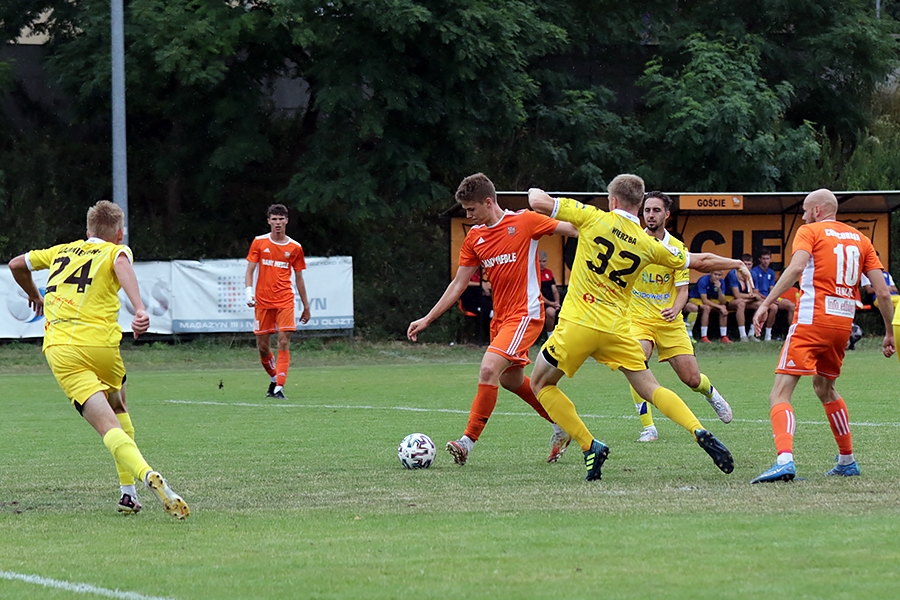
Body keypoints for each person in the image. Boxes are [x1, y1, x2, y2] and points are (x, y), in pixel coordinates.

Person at [527, 175, 753, 482]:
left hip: (579, 323)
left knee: (541, 384)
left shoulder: (592, 217)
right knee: (651, 387)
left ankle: (589, 444)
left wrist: (534, 188)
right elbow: (700, 260)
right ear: (639, 205)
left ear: (613, 201)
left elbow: (537, 202)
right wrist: (736, 262)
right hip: (618, 329)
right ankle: (697, 429)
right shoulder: (649, 244)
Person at [8, 200, 190, 519]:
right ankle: (128, 494)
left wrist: (34, 295)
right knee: (119, 407)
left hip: (61, 348)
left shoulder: (61, 250)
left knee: (107, 426)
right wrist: (141, 308)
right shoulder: (115, 250)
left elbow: (15, 264)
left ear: (87, 230)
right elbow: (121, 263)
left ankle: (146, 474)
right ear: (119, 234)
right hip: (102, 346)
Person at [408, 173, 578, 466]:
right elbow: (458, 284)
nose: (468, 215)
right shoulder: (475, 237)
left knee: (488, 369)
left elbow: (574, 228)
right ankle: (562, 425)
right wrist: (428, 318)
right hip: (501, 321)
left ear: (489, 201)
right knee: (512, 381)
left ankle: (466, 443)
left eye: (472, 209)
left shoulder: (525, 221)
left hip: (526, 314)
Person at [750, 189, 895, 484]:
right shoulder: (861, 239)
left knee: (779, 393)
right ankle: (847, 460)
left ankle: (784, 460)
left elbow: (797, 267)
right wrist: (889, 333)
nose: (802, 216)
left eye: (804, 210)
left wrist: (766, 302)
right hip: (843, 325)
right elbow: (882, 292)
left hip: (811, 320)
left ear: (817, 211)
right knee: (825, 388)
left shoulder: (810, 231)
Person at [628, 191, 733, 443]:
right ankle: (648, 427)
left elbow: (683, 290)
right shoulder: (633, 242)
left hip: (668, 321)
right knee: (636, 363)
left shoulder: (677, 248)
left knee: (691, 379)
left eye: (656, 210)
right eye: (647, 210)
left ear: (666, 214)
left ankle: (710, 394)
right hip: (638, 318)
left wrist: (676, 309)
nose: (650, 215)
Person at [245, 204, 311, 400]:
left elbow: (299, 278)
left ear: (287, 221)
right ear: (269, 221)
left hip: (285, 300)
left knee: (283, 340)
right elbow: (249, 271)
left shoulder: (295, 247)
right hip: (263, 302)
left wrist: (306, 306)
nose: (278, 223)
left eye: (281, 219)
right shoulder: (259, 242)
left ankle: (278, 387)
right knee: (263, 347)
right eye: (274, 219)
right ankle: (275, 379)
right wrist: (248, 292)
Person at [724, 253, 776, 341]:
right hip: (729, 298)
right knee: (741, 304)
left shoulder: (753, 274)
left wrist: (754, 297)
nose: (747, 267)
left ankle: (752, 334)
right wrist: (752, 296)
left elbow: (755, 293)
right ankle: (743, 335)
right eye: (745, 264)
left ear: (752, 265)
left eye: (749, 264)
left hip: (746, 299)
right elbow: (737, 295)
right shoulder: (733, 273)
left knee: (761, 305)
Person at [751, 250, 796, 340]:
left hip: (769, 297)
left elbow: (772, 289)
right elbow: (755, 292)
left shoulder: (771, 272)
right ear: (760, 259)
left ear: (770, 259)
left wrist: (776, 298)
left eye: (767, 259)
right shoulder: (754, 272)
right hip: (759, 298)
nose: (765, 261)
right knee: (774, 307)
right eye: (763, 259)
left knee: (791, 306)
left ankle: (792, 333)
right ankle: (766, 335)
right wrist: (769, 299)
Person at [688, 271, 732, 343]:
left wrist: (719, 289)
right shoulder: (703, 280)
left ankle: (724, 336)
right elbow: (704, 300)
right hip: (696, 298)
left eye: (719, 275)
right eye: (715, 274)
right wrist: (718, 306)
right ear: (711, 274)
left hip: (711, 299)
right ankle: (704, 336)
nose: (717, 277)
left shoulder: (721, 282)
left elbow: (723, 301)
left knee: (723, 307)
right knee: (706, 308)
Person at [538, 250, 561, 337]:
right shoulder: (533, 273)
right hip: (539, 301)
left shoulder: (549, 272)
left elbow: (554, 290)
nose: (542, 263)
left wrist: (557, 303)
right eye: (539, 261)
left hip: (551, 301)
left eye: (544, 261)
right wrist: (552, 304)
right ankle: (549, 335)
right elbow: (537, 293)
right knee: (551, 313)